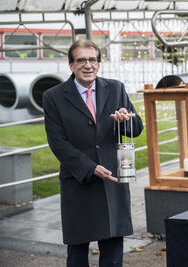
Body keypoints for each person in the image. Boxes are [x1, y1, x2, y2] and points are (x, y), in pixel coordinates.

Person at [43, 39, 143, 267]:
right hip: (79, 181)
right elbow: (57, 142)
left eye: (92, 60)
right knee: (77, 253)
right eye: (81, 60)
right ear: (71, 65)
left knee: (113, 251)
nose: (87, 65)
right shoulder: (53, 97)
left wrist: (125, 119)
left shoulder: (116, 88)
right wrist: (89, 167)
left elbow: (136, 129)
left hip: (113, 179)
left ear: (99, 63)